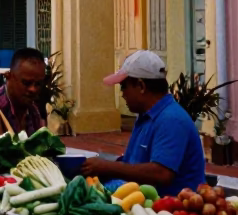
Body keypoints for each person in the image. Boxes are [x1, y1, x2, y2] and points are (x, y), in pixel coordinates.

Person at [81, 50, 205, 196]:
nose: (123, 94)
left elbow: (161, 173)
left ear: (141, 86)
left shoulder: (171, 119)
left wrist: (108, 167)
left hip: (170, 211)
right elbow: (133, 165)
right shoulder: (146, 117)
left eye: (124, 87)